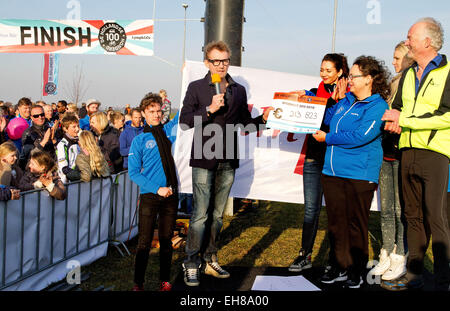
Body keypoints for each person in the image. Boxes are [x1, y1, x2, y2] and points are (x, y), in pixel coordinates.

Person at [179, 40, 273, 286]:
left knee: (218, 216)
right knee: (200, 214)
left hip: (228, 158)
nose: (221, 65)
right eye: (215, 61)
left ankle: (210, 258)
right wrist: (208, 110)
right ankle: (191, 262)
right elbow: (184, 121)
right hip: (203, 157)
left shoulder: (238, 90)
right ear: (206, 62)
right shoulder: (197, 87)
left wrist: (262, 119)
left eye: (225, 60)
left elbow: (244, 124)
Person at [382, 17, 450, 291]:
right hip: (407, 152)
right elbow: (397, 109)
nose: (407, 41)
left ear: (427, 41)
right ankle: (414, 275)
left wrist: (406, 119)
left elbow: (446, 116)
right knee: (412, 217)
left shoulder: (448, 72)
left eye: (411, 37)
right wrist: (393, 120)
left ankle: (445, 280)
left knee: (436, 217)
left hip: (434, 154)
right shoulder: (409, 74)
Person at [314, 55, 390, 288]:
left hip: (360, 174)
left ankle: (356, 270)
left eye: (354, 76)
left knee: (356, 223)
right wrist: (309, 104)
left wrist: (328, 138)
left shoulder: (378, 106)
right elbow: (326, 118)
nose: (349, 81)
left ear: (368, 79)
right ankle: (339, 265)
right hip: (332, 172)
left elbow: (362, 136)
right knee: (336, 223)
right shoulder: (345, 100)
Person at [288, 53, 349, 273]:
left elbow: (333, 121)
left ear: (340, 72)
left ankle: (335, 260)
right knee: (310, 209)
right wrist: (299, 99)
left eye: (328, 70)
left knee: (335, 211)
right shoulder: (314, 93)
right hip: (313, 158)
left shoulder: (349, 96)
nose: (323, 74)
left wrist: (334, 101)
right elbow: (307, 112)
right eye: (322, 69)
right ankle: (305, 255)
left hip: (335, 160)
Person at [369, 41, 414, 284]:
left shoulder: (412, 84)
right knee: (385, 210)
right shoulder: (391, 85)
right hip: (384, 153)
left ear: (409, 58)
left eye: (398, 57)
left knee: (399, 210)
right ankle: (386, 251)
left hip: (401, 154)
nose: (393, 61)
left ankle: (400, 255)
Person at [128, 93, 179, 291]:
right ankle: (138, 283)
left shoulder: (169, 130)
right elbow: (133, 173)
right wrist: (157, 188)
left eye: (159, 111)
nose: (156, 114)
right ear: (143, 113)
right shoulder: (139, 140)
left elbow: (185, 113)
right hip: (150, 196)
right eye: (151, 111)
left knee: (167, 240)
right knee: (144, 242)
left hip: (171, 196)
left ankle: (164, 280)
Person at [20, 104, 57, 169]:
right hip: (36, 169)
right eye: (36, 116)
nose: (40, 117)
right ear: (31, 117)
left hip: (52, 167)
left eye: (42, 114)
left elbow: (57, 151)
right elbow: (28, 155)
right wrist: (44, 141)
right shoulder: (28, 133)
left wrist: (54, 140)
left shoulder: (50, 129)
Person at [56, 114, 81, 184]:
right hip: (67, 183)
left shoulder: (77, 142)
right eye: (74, 127)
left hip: (77, 182)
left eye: (78, 126)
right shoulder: (62, 145)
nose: (77, 129)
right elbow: (64, 168)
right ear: (65, 128)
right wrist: (80, 175)